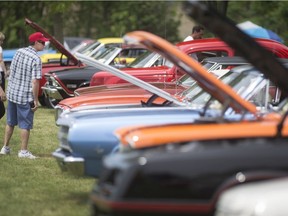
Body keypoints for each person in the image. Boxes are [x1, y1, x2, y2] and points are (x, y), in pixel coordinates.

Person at [0, 32, 49, 159]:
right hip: (24, 96)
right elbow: (35, 81)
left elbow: (12, 71)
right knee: (25, 124)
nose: (44, 44)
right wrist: (36, 99)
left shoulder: (19, 51)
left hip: (12, 93)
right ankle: (23, 151)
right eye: (42, 42)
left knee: (10, 122)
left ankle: (5, 148)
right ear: (36, 43)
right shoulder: (36, 59)